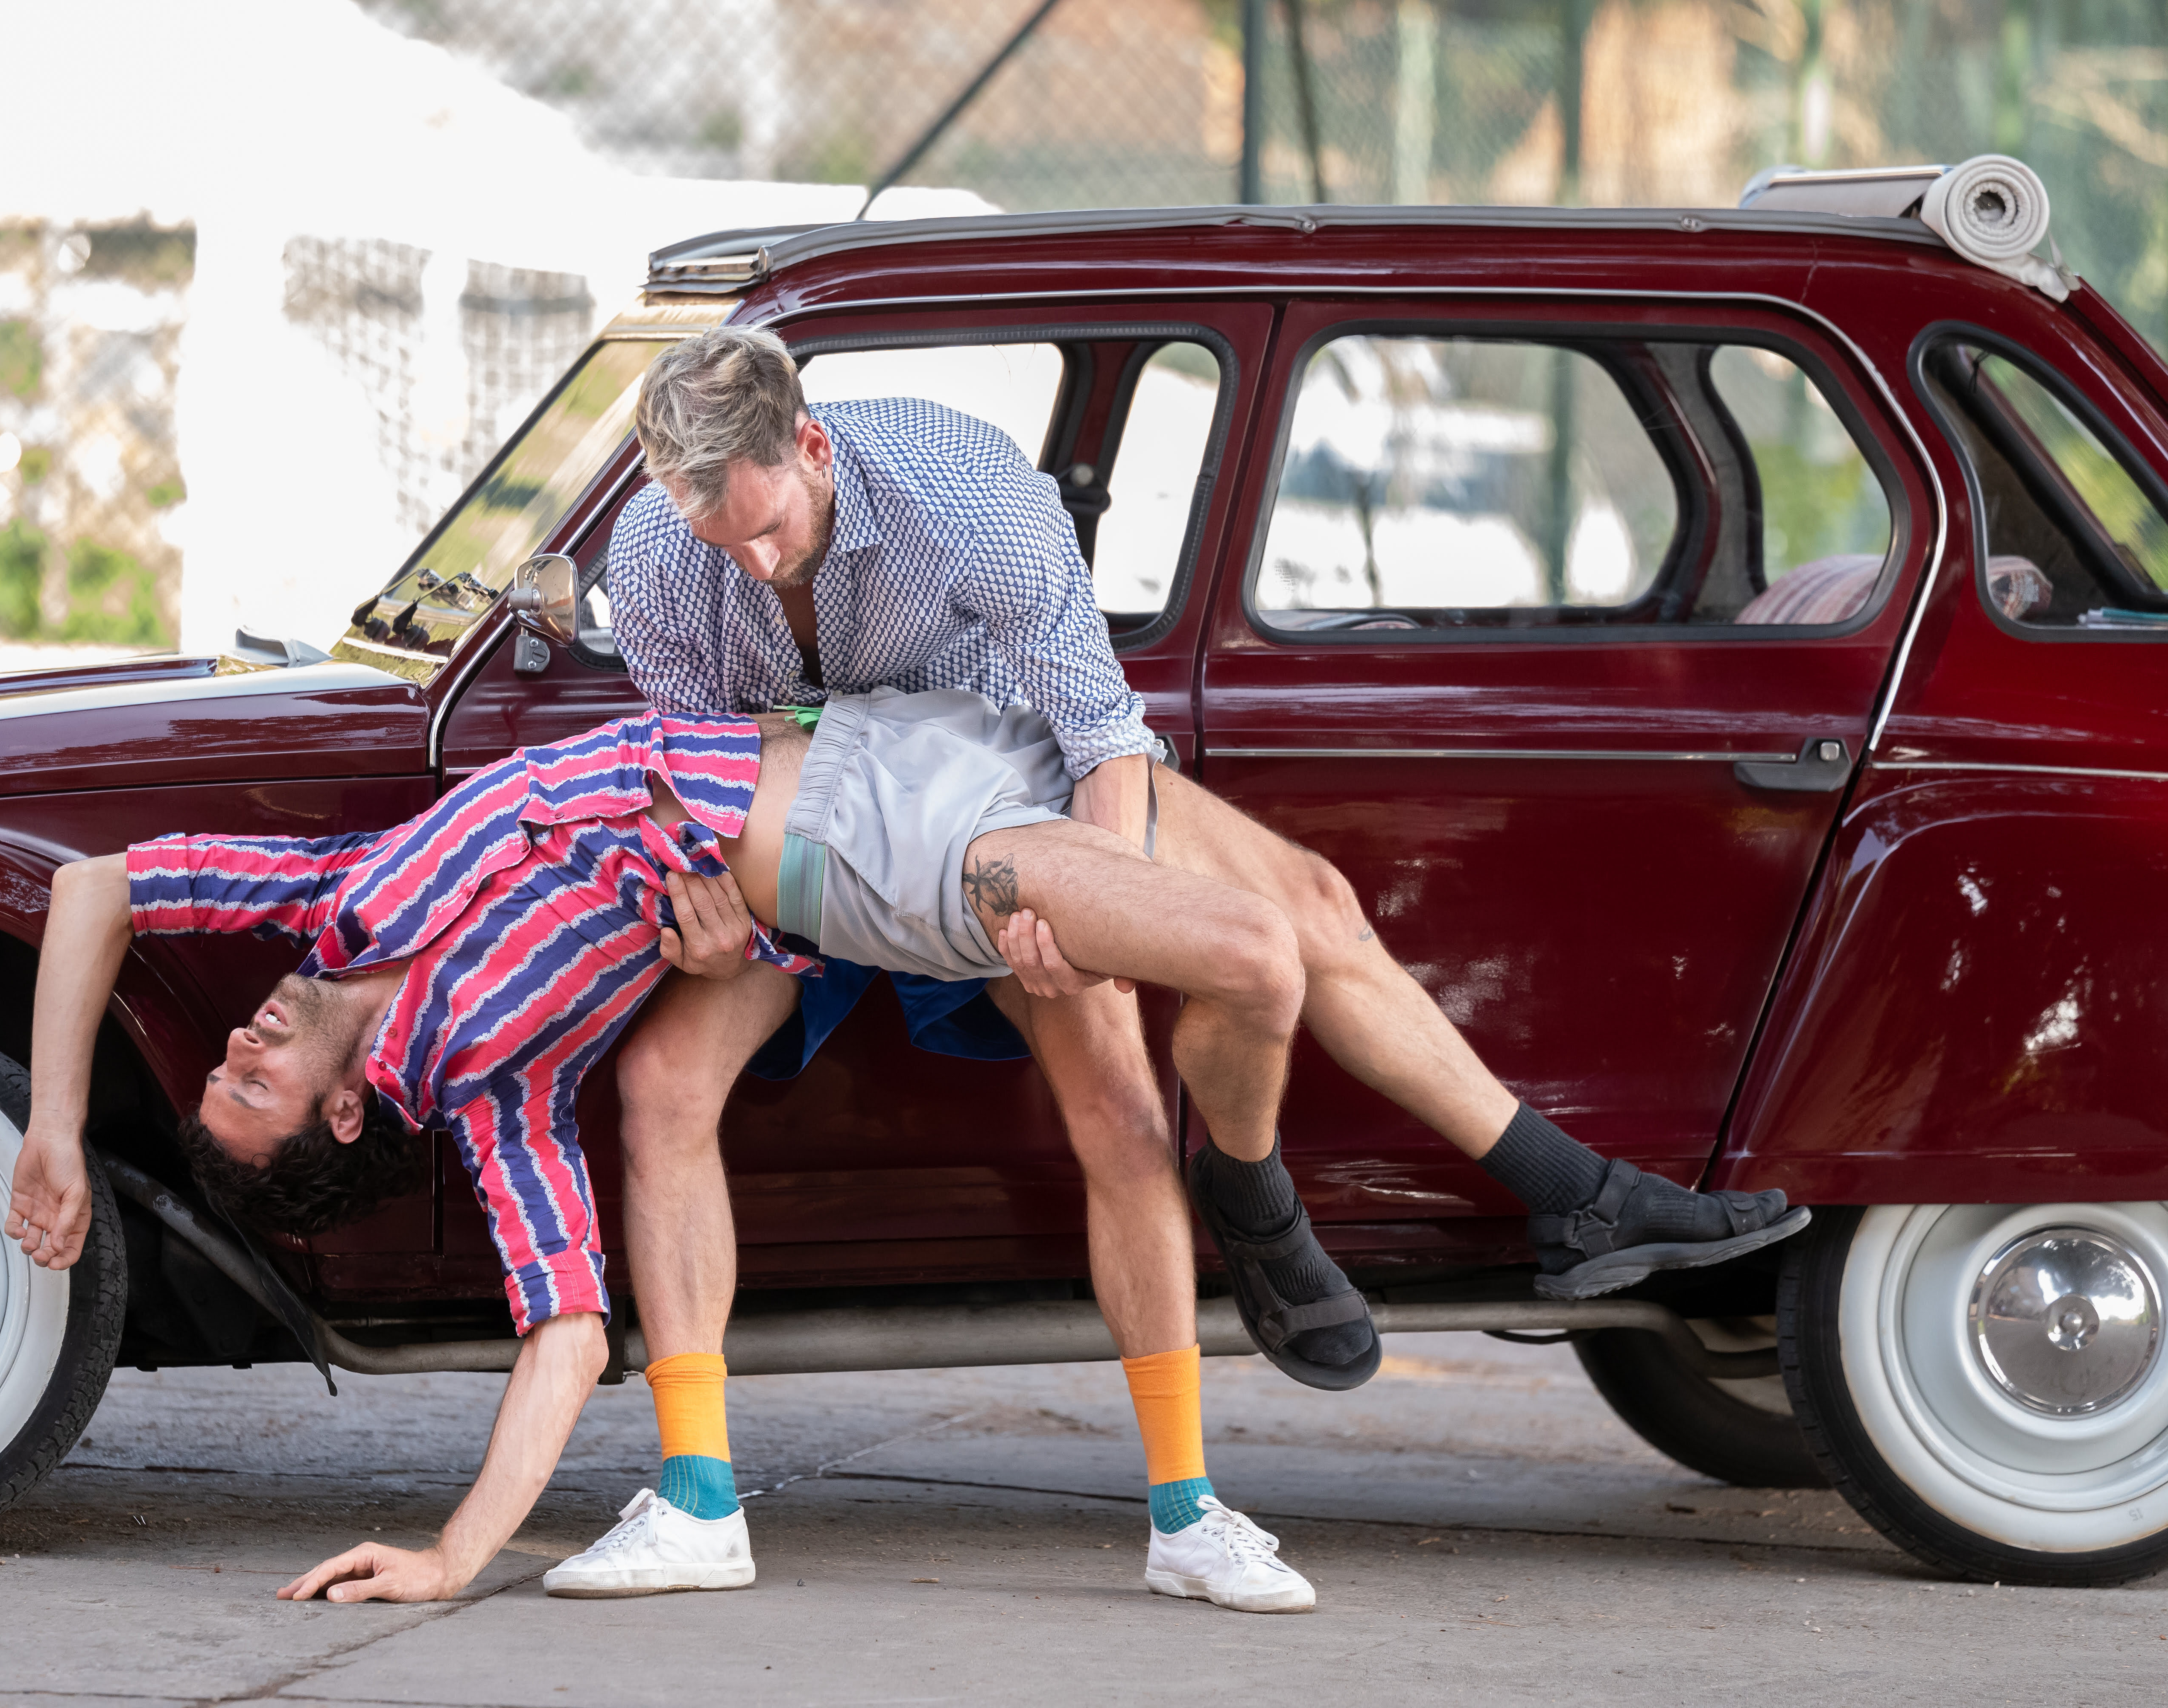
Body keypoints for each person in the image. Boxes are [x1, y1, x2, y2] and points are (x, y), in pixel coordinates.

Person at [594, 326, 1811, 1605]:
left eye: (767, 528)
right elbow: (688, 774)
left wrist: (1092, 923)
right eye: (717, 539)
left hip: (993, 807)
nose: (750, 560)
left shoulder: (968, 492)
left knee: (1133, 1103)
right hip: (809, 831)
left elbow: (1098, 733)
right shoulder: (660, 546)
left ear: (813, 446)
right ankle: (697, 1500)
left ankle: (1189, 1509)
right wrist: (697, 900)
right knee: (662, 1085)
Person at [8, 691, 1436, 1612]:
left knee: (1152, 1067)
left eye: (223, 1064)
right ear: (341, 1115)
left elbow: (95, 892)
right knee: (1164, 1025)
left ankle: (1186, 1503)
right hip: (832, 855)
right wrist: (452, 1556)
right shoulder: (503, 1095)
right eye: (249, 1085)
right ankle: (707, 1500)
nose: (239, 1042)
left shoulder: (334, 895)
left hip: (820, 747)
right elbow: (567, 1333)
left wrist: (53, 1134)